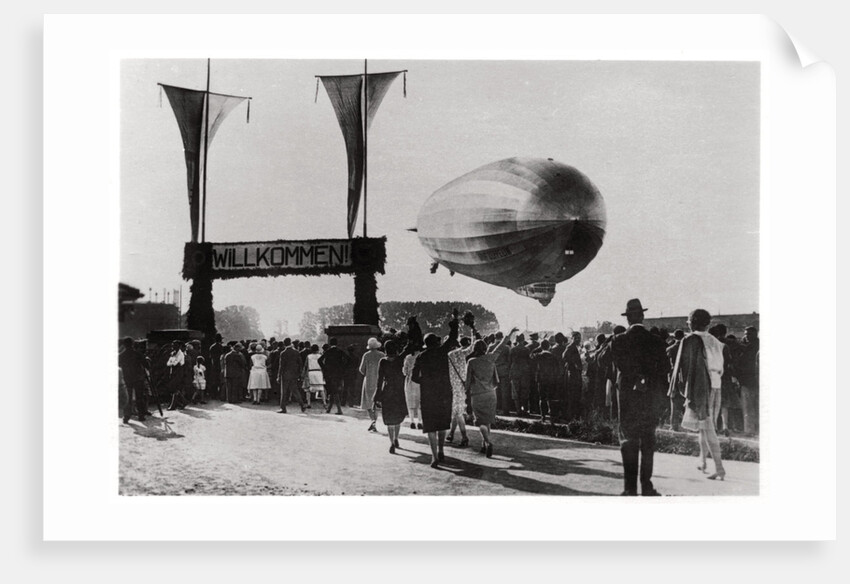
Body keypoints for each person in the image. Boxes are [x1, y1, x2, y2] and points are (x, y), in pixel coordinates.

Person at [609, 299, 670, 496]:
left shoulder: (618, 340)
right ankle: (647, 485)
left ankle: (630, 488)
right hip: (649, 397)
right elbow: (665, 370)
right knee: (648, 441)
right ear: (642, 317)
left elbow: (616, 365)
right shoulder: (656, 341)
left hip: (628, 398)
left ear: (628, 319)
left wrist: (635, 377)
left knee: (628, 440)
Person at [671, 309, 727, 481]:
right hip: (716, 385)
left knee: (707, 427)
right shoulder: (715, 341)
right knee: (704, 426)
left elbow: (683, 367)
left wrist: (682, 389)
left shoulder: (690, 340)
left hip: (701, 388)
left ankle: (719, 468)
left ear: (691, 323)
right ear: (707, 323)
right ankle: (702, 461)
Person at [412, 311, 460, 468]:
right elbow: (453, 337)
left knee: (431, 426)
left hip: (428, 395)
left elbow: (414, 377)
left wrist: (425, 381)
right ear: (436, 342)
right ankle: (441, 450)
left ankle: (433, 456)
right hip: (444, 392)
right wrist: (454, 320)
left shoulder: (421, 357)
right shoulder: (442, 352)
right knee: (441, 424)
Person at [375, 340, 410, 454]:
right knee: (398, 417)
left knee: (389, 418)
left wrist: (377, 396)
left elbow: (379, 380)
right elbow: (407, 349)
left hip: (387, 391)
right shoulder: (400, 359)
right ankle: (396, 438)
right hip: (399, 391)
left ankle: (391, 443)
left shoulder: (383, 361)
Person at [710, 323, 740, 436]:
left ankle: (713, 426)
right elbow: (729, 362)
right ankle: (725, 426)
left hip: (712, 376)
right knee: (724, 403)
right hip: (724, 376)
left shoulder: (709, 346)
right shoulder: (725, 346)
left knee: (713, 402)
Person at [447, 336, 475, 447]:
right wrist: (473, 333)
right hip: (461, 386)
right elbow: (472, 347)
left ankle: (460, 436)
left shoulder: (448, 355)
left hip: (452, 387)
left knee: (456, 412)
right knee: (457, 412)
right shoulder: (462, 353)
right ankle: (455, 434)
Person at [736, 326, 760, 435]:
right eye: (745, 334)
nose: (746, 336)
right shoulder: (746, 347)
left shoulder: (747, 348)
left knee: (750, 407)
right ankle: (752, 430)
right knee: (749, 407)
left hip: (750, 380)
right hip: (748, 381)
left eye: (749, 334)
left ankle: (751, 430)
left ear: (755, 334)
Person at [118, 337, 148, 422]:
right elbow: (146, 365)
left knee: (128, 398)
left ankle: (126, 417)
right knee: (140, 398)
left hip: (127, 379)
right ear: (132, 344)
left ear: (124, 345)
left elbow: (118, 366)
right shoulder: (138, 354)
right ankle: (141, 416)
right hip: (138, 379)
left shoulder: (121, 355)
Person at [359, 338, 386, 432]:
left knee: (368, 402)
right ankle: (374, 421)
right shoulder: (382, 355)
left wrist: (367, 372)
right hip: (379, 381)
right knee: (376, 402)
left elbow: (361, 369)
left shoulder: (366, 355)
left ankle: (373, 420)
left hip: (369, 380)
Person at [318, 337, 350, 415]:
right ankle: (329, 409)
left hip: (329, 374)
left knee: (334, 391)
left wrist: (325, 368)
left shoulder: (328, 351)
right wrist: (342, 367)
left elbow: (319, 360)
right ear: (337, 343)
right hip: (338, 374)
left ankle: (339, 410)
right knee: (334, 391)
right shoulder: (340, 351)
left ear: (330, 343)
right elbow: (348, 359)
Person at [531, 339, 561, 423]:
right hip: (551, 380)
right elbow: (557, 369)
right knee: (551, 398)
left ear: (541, 347)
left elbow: (531, 355)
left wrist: (538, 348)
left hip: (541, 379)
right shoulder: (553, 357)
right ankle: (552, 416)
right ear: (549, 346)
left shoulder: (538, 356)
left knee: (542, 398)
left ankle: (543, 416)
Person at [277, 338, 305, 413]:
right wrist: (299, 373)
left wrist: (279, 376)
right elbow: (300, 363)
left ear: (284, 344)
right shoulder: (296, 352)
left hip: (285, 374)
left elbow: (281, 366)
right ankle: (302, 405)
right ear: (290, 343)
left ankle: (283, 408)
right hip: (294, 374)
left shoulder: (283, 353)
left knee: (284, 392)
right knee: (295, 390)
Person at [666, 329, 686, 430]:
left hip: (673, 375)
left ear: (674, 337)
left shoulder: (670, 349)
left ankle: (674, 424)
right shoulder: (687, 349)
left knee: (674, 399)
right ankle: (686, 424)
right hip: (685, 375)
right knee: (686, 399)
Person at [509, 334, 532, 417]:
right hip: (524, 372)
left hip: (515, 371)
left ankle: (518, 410)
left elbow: (510, 361)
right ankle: (525, 410)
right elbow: (529, 361)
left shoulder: (512, 350)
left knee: (515, 391)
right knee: (524, 391)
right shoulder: (527, 349)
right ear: (523, 339)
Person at [563, 331, 584, 421]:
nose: (578, 340)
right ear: (572, 339)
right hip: (573, 374)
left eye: (579, 338)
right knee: (573, 395)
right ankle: (571, 416)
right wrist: (573, 364)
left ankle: (574, 415)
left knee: (576, 395)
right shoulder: (570, 347)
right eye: (576, 338)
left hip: (576, 374)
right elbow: (564, 356)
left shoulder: (576, 347)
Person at [490, 331, 512, 415]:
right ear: (502, 337)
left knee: (495, 391)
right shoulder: (506, 348)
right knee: (505, 391)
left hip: (494, 370)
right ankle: (505, 410)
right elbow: (509, 360)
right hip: (504, 370)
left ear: (495, 337)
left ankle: (495, 409)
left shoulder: (491, 347)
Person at [165, 340, 191, 410]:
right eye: (173, 345)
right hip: (173, 371)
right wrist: (172, 362)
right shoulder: (173, 353)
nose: (173, 346)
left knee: (174, 388)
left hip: (178, 372)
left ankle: (173, 405)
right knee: (173, 388)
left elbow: (174, 363)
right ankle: (183, 401)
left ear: (179, 346)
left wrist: (172, 362)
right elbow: (168, 363)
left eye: (175, 345)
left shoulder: (180, 354)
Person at [403, 343, 423, 429]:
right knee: (420, 402)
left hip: (410, 381)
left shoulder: (408, 357)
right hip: (420, 381)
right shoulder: (422, 356)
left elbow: (404, 371)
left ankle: (412, 421)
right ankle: (420, 421)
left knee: (410, 401)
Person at [208, 334, 223, 400]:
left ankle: (213, 395)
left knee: (214, 381)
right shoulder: (221, 347)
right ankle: (219, 394)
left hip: (213, 365)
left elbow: (211, 357)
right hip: (219, 365)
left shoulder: (212, 347)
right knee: (219, 381)